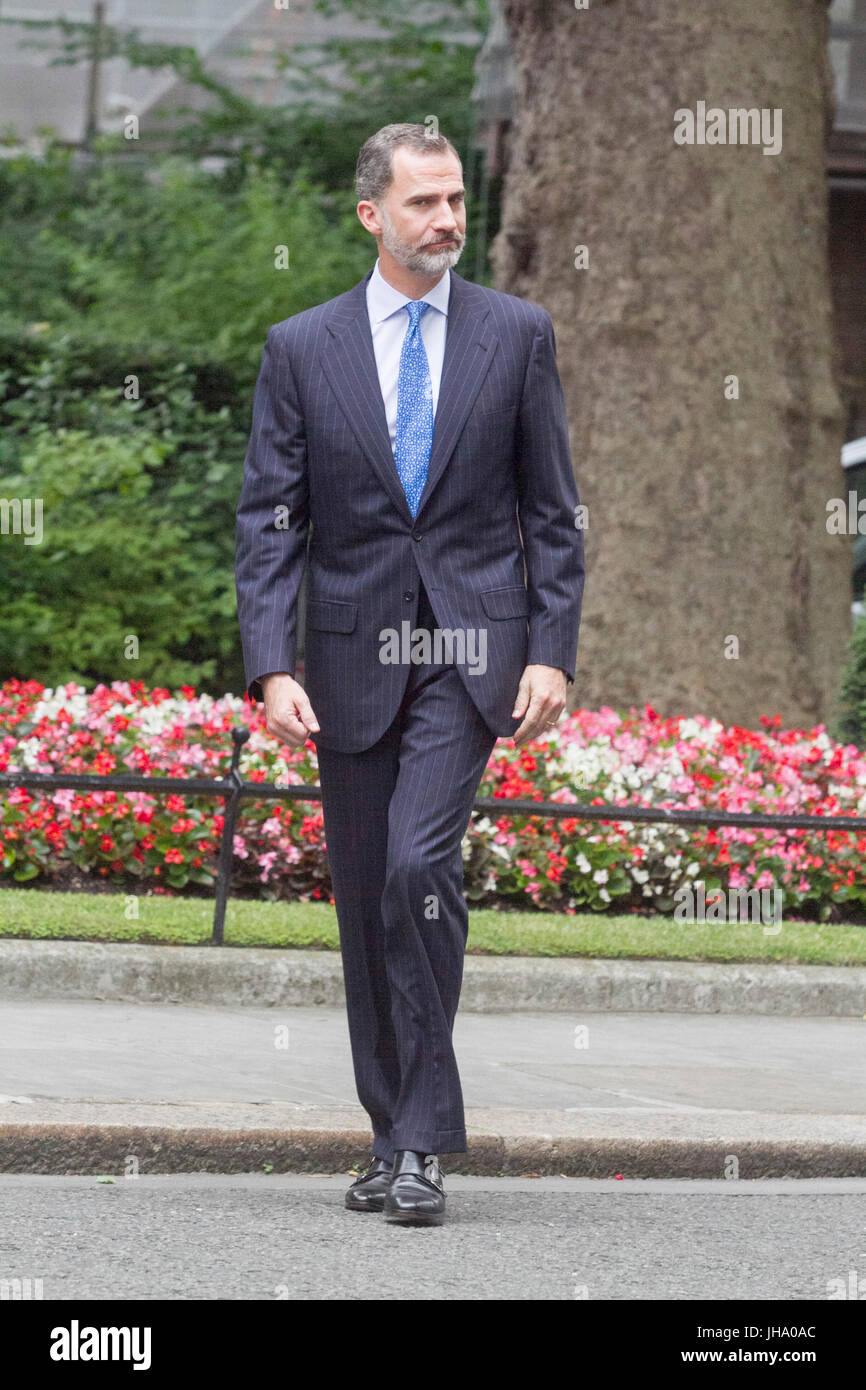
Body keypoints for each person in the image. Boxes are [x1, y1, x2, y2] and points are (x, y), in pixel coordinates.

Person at [235, 123, 585, 1225]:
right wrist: (267, 664)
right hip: (345, 658)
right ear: (370, 215)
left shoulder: (514, 333)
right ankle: (390, 1134)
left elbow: (552, 511)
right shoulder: (302, 347)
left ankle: (423, 1141)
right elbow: (268, 520)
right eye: (423, 202)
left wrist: (549, 647)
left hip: (467, 655)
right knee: (363, 903)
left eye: (453, 202)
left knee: (412, 869)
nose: (445, 220)